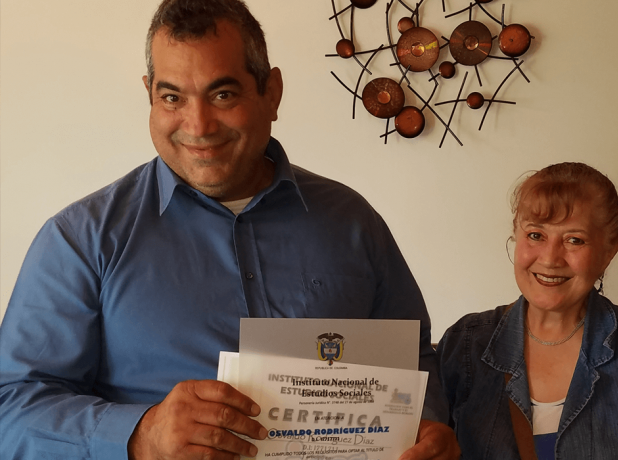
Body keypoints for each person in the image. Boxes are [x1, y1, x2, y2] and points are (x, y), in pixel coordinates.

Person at [0, 1, 459, 459]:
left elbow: (412, 360)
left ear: (272, 93)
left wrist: (430, 427)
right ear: (150, 95)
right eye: (172, 97)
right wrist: (140, 435)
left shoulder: (352, 221)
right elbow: (12, 410)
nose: (198, 126)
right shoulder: (80, 240)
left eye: (222, 95)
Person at [436, 162, 618, 459]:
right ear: (516, 235)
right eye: (535, 235)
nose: (550, 259)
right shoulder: (463, 344)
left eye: (574, 240)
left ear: (610, 249)